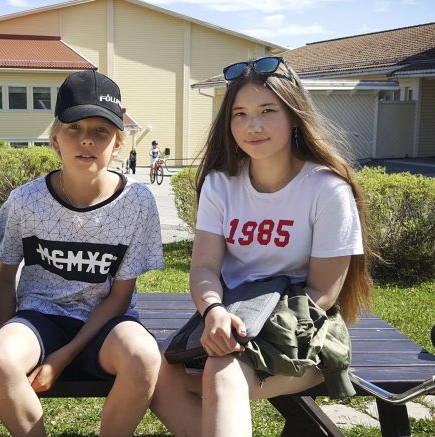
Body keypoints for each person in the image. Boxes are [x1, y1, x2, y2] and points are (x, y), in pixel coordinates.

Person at [150, 56, 373, 437]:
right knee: (150, 369)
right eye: (239, 114)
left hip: (302, 329)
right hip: (229, 316)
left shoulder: (327, 190)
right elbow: (204, 267)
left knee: (221, 373)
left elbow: (322, 292)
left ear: (294, 115)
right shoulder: (221, 184)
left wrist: (244, 330)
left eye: (267, 111)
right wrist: (214, 312)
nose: (252, 126)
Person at [0, 70, 164, 437]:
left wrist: (63, 357)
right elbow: (3, 277)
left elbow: (120, 296)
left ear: (117, 144)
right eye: (74, 128)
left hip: (107, 322)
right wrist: (14, 349)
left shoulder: (138, 202)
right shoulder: (26, 200)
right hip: (41, 316)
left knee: (144, 357)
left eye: (101, 132)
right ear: (54, 140)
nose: (87, 141)